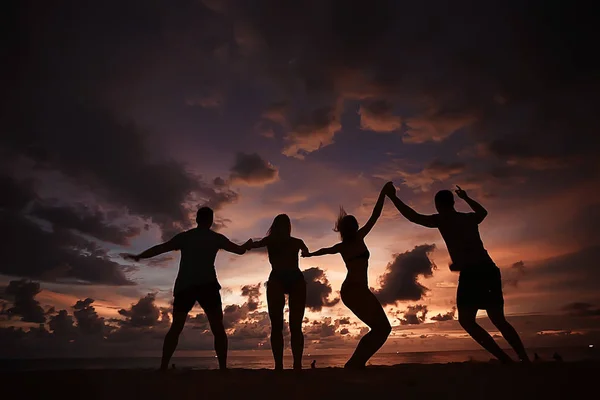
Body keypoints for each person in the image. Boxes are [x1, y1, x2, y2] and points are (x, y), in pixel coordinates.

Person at [384, 182, 529, 363]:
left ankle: (504, 358)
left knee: (468, 321)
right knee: (498, 319)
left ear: (438, 205)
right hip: (487, 269)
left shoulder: (441, 220)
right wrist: (466, 197)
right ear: (453, 203)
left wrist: (393, 197)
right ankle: (523, 358)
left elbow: (413, 217)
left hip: (473, 273)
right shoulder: (468, 217)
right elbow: (483, 213)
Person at [122, 206, 250, 371]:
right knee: (217, 328)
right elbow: (239, 250)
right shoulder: (216, 238)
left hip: (186, 286)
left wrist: (140, 256)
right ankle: (223, 368)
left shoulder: (185, 237)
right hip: (206, 286)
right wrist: (248, 245)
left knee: (176, 327)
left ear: (197, 219)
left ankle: (163, 367)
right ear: (211, 221)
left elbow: (160, 248)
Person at [302, 183, 393, 369]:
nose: (354, 228)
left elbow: (375, 215)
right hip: (352, 291)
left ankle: (356, 363)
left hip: (360, 290)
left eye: (354, 226)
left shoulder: (360, 237)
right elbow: (325, 250)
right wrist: (310, 254)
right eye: (350, 226)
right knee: (381, 328)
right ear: (345, 230)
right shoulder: (343, 247)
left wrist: (383, 193)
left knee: (382, 328)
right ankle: (355, 364)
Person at [244, 214, 309, 370]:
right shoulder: (292, 242)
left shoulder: (283, 241)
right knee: (287, 326)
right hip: (284, 279)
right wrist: (248, 245)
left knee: (287, 326)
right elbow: (305, 250)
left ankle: (288, 365)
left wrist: (247, 245)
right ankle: (288, 365)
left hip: (289, 279)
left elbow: (253, 245)